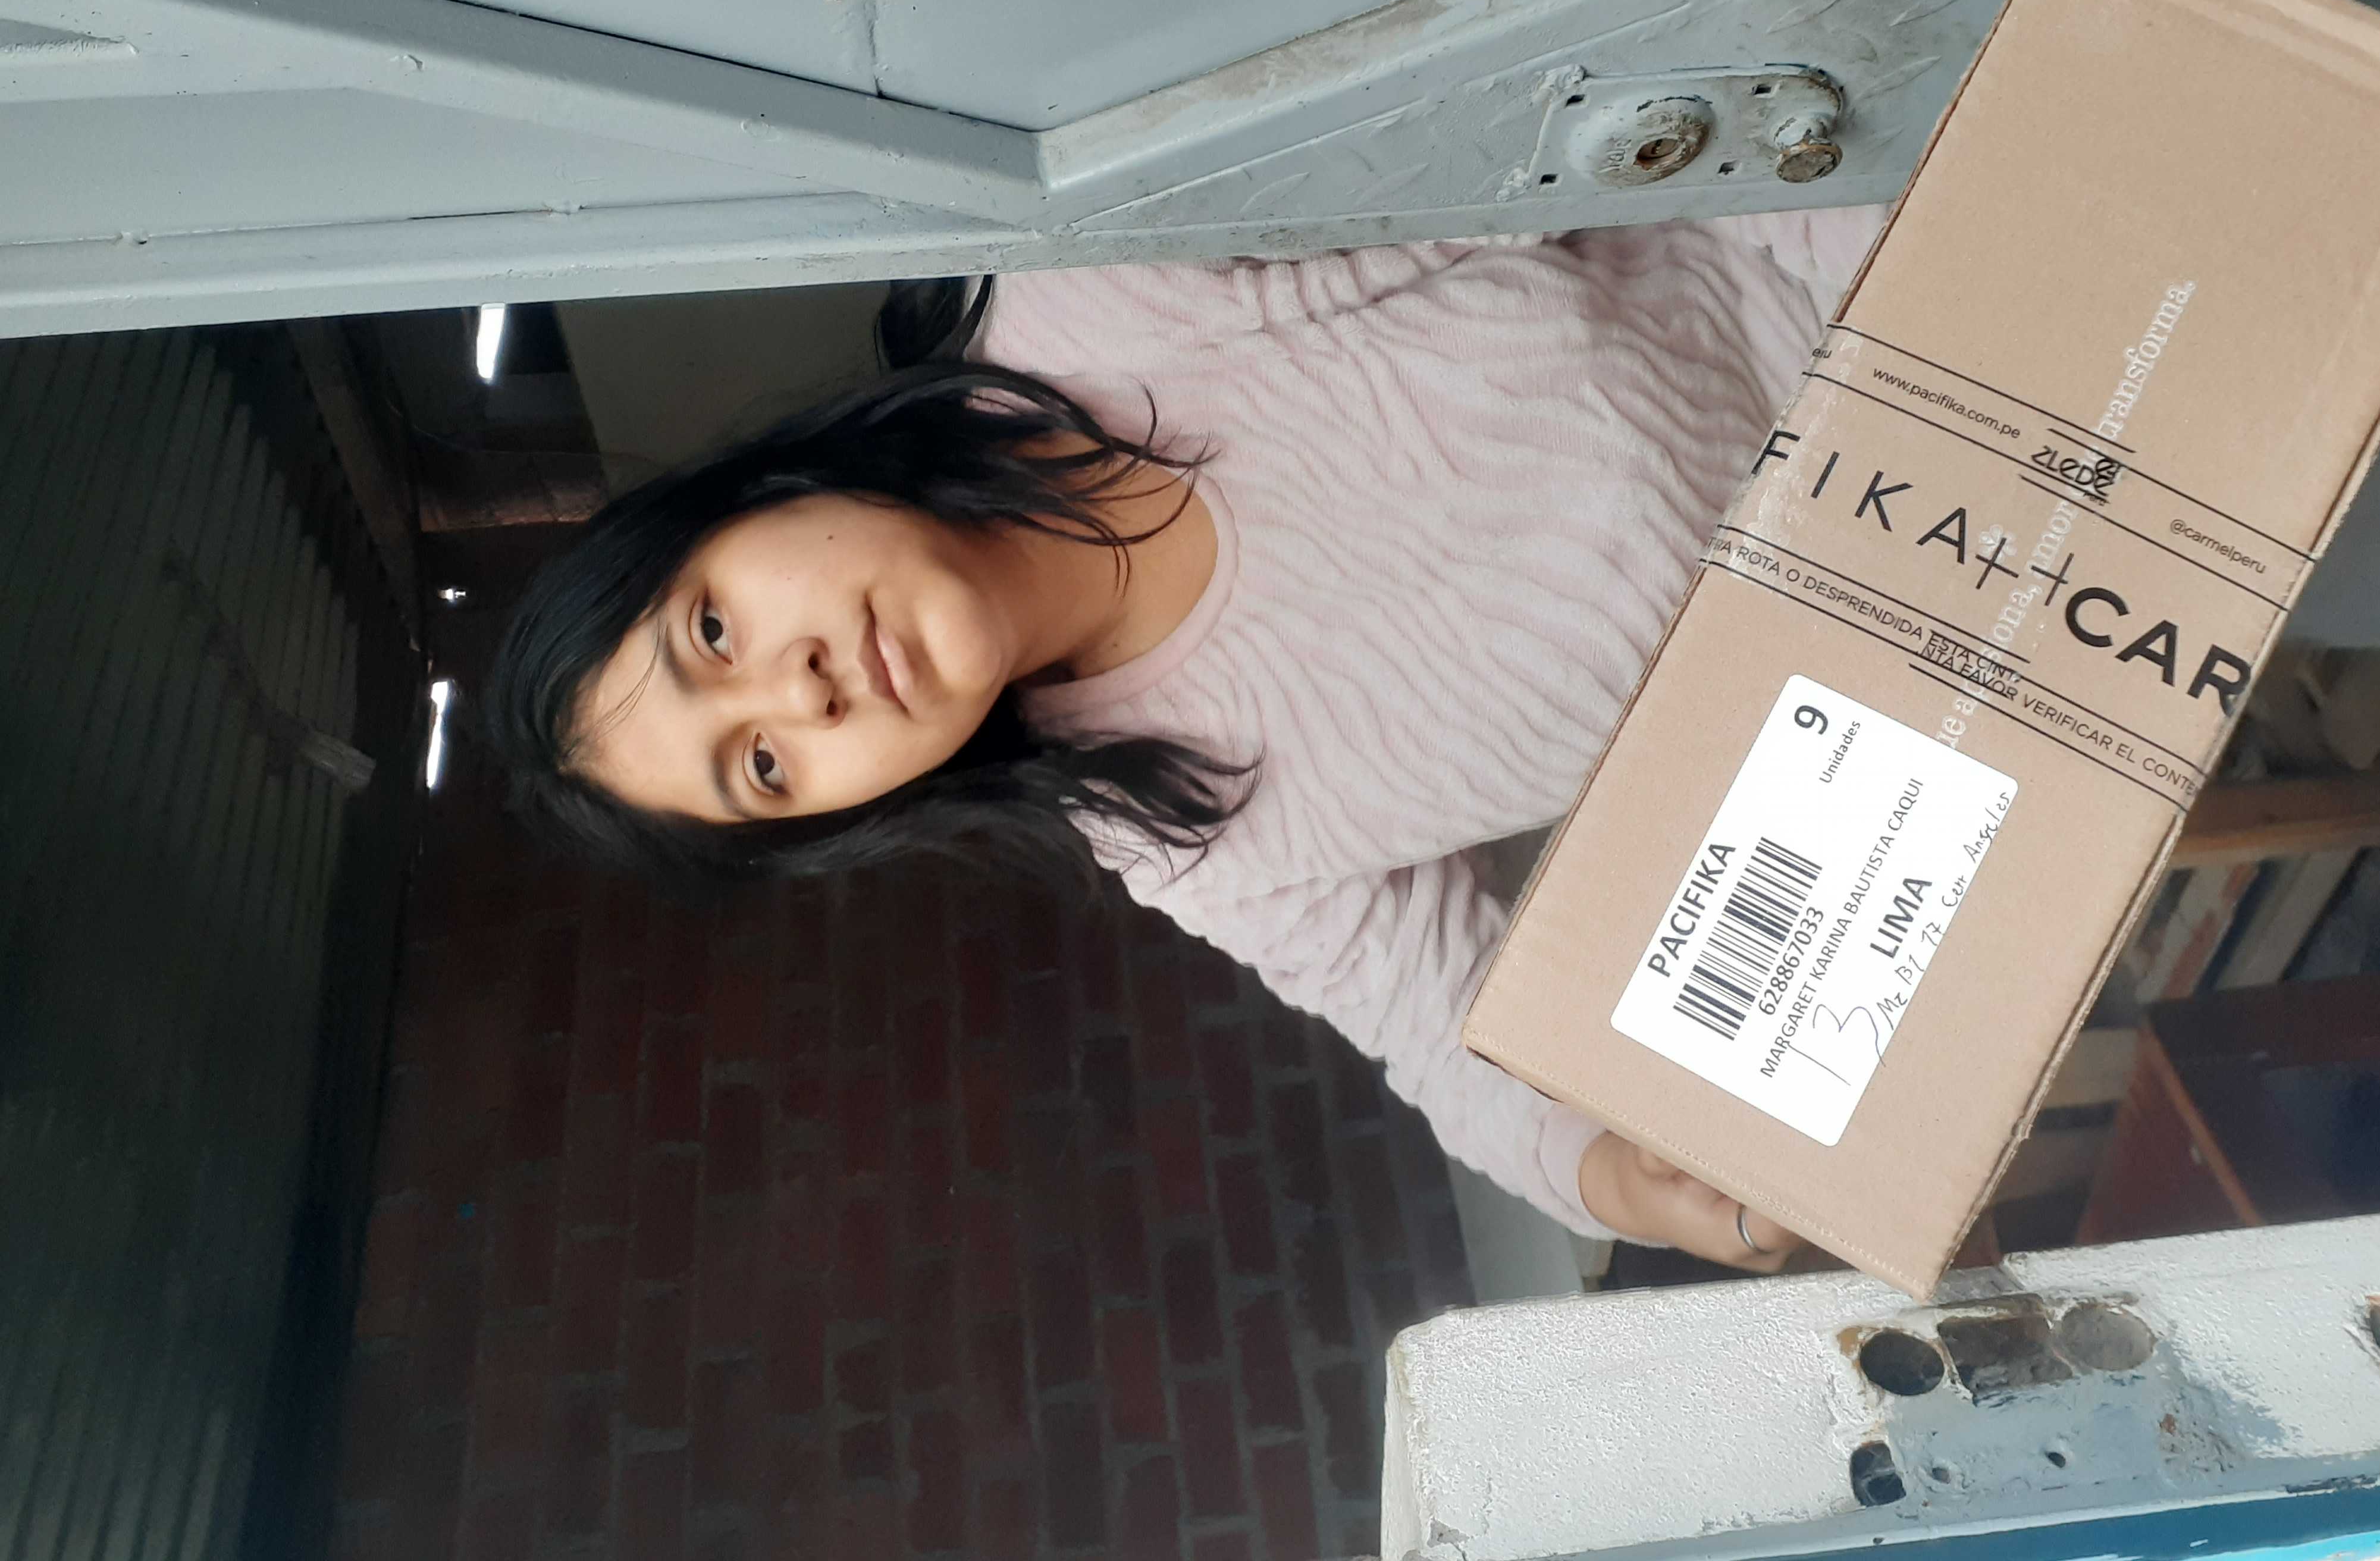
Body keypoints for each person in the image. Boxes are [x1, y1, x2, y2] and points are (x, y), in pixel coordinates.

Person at [488, 208, 1886, 1268]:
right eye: (763, 771)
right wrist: (1613, 1176)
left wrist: (1955, 299)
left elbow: (1610, 142)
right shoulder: (1176, 832)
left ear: (749, 499)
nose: (801, 696)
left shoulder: (1092, 289)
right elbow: (1442, 1032)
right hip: (1941, 645)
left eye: (710, 632)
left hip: (1894, 280)